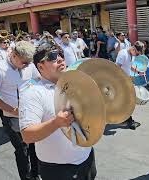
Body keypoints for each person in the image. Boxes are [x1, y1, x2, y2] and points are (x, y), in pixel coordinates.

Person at [19, 45, 97, 180]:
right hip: (58, 169)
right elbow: (27, 135)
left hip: (87, 157)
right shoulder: (33, 92)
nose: (60, 59)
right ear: (41, 66)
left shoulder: (75, 82)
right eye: (53, 57)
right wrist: (56, 123)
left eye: (61, 54)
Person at [0, 40, 41, 180]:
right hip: (12, 117)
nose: (27, 66)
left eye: (29, 63)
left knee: (34, 147)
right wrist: (12, 110)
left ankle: (35, 174)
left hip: (30, 113)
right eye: (24, 63)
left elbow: (38, 80)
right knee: (22, 150)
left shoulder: (28, 64)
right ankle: (26, 177)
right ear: (14, 55)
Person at [115, 41, 143, 130]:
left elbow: (130, 66)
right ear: (134, 48)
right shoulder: (123, 54)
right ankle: (127, 120)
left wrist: (138, 72)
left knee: (126, 101)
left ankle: (126, 119)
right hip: (120, 81)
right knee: (126, 102)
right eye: (137, 53)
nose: (136, 55)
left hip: (126, 80)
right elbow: (116, 68)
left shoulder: (132, 54)